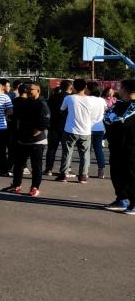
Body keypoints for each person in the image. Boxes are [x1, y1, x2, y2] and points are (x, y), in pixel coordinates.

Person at [4, 81, 50, 197]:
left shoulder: (42, 104)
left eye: (31, 89)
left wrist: (38, 131)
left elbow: (46, 120)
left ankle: (35, 188)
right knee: (19, 164)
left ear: (38, 90)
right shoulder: (25, 102)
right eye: (28, 89)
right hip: (22, 139)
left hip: (37, 141)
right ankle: (16, 185)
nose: (28, 91)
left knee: (36, 165)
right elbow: (15, 117)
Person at [55, 77, 104, 184]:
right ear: (85, 87)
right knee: (85, 154)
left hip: (70, 129)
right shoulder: (91, 100)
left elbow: (62, 110)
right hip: (86, 130)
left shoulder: (69, 98)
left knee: (67, 152)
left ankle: (63, 174)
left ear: (73, 87)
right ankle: (83, 175)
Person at [104, 80, 135, 213]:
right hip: (116, 145)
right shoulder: (119, 104)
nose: (119, 90)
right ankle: (121, 199)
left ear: (126, 90)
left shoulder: (133, 105)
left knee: (131, 173)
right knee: (116, 172)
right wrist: (113, 119)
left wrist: (114, 119)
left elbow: (123, 120)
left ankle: (133, 202)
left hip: (131, 146)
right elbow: (106, 118)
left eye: (120, 87)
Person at [44, 79, 73, 173]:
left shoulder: (53, 97)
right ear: (70, 88)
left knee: (51, 148)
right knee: (66, 149)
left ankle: (48, 168)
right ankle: (65, 169)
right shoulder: (71, 98)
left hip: (53, 125)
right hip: (66, 126)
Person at [89, 82, 108, 179]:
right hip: (100, 128)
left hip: (88, 128)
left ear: (89, 89)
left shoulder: (87, 99)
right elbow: (105, 111)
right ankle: (101, 171)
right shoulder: (102, 100)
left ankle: (84, 170)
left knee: (86, 151)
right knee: (99, 150)